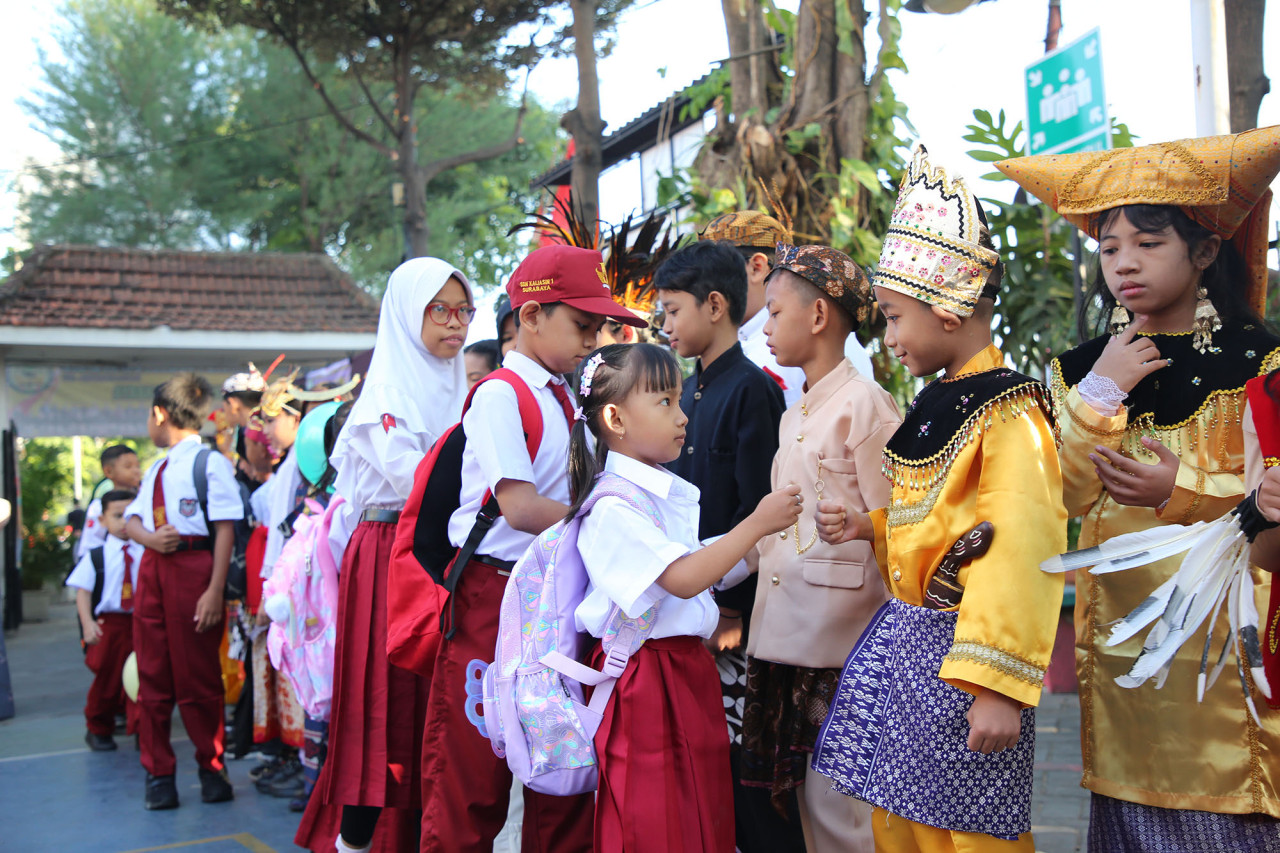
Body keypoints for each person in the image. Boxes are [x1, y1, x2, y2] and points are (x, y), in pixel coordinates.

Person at [997, 127, 1280, 847]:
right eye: (1109, 246)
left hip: (1227, 654)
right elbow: (1057, 496)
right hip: (1123, 657)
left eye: (1148, 244)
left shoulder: (1259, 362)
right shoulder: (1082, 368)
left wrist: (1176, 486)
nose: (1123, 263)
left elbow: (1271, 493)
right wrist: (1100, 393)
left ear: (1206, 251)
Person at [809, 145, 1066, 851]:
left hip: (965, 663)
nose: (887, 338)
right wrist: (872, 526)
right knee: (905, 824)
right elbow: (937, 527)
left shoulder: (1010, 410)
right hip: (914, 652)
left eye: (893, 317)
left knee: (968, 832)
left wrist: (997, 684)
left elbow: (1017, 544)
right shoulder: (939, 402)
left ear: (949, 309)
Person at [418, 244, 647, 853]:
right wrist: (606, 526)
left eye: (598, 327)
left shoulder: (567, 396)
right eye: (581, 324)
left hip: (559, 593)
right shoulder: (499, 394)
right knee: (473, 774)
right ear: (531, 316)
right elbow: (518, 508)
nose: (592, 339)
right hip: (493, 597)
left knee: (563, 769)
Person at [564, 342, 801, 853]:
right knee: (656, 819)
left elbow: (702, 564)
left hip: (681, 669)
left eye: (678, 399)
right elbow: (684, 578)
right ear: (614, 417)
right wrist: (757, 523)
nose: (683, 415)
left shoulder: (654, 491)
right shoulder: (610, 508)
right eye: (665, 402)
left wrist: (764, 541)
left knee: (699, 808)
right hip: (644, 678)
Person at [296, 257, 475, 853]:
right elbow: (418, 482)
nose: (456, 324)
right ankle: (352, 844)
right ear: (406, 314)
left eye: (463, 311)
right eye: (440, 311)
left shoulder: (461, 390)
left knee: (433, 712)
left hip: (440, 551)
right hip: (390, 554)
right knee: (383, 713)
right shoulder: (387, 395)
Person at [738, 242, 900, 852]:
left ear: (818, 316)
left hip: (844, 643)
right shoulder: (796, 409)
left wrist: (860, 521)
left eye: (776, 312)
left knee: (846, 813)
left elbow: (898, 523)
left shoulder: (866, 405)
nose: (766, 326)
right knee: (809, 807)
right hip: (788, 634)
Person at [652, 239, 792, 850]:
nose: (665, 325)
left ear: (715, 305)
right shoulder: (684, 390)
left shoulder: (753, 390)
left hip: (737, 614)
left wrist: (732, 609)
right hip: (689, 603)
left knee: (745, 767)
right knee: (703, 762)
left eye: (673, 310)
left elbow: (762, 510)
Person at [123, 373, 243, 811]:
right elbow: (130, 522)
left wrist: (214, 591)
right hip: (155, 572)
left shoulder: (209, 463)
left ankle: (211, 767)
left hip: (196, 569)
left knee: (199, 678)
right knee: (152, 677)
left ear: (160, 414)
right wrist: (149, 539)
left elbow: (226, 528)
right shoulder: (154, 468)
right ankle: (159, 775)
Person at [700, 211, 874, 403]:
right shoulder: (728, 343)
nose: (703, 289)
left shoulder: (831, 338)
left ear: (756, 267)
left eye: (711, 273)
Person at [66, 488, 143, 752]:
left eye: (129, 516)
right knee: (107, 681)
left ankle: (142, 728)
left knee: (143, 678)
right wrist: (87, 624)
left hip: (141, 623)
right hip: (110, 625)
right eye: (117, 516)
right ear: (102, 520)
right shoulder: (96, 556)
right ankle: (98, 727)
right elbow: (83, 592)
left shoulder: (145, 551)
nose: (124, 523)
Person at [76, 445, 142, 560]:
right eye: (128, 466)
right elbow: (90, 544)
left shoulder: (144, 501)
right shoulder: (98, 507)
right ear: (108, 471)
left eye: (137, 466)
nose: (136, 471)